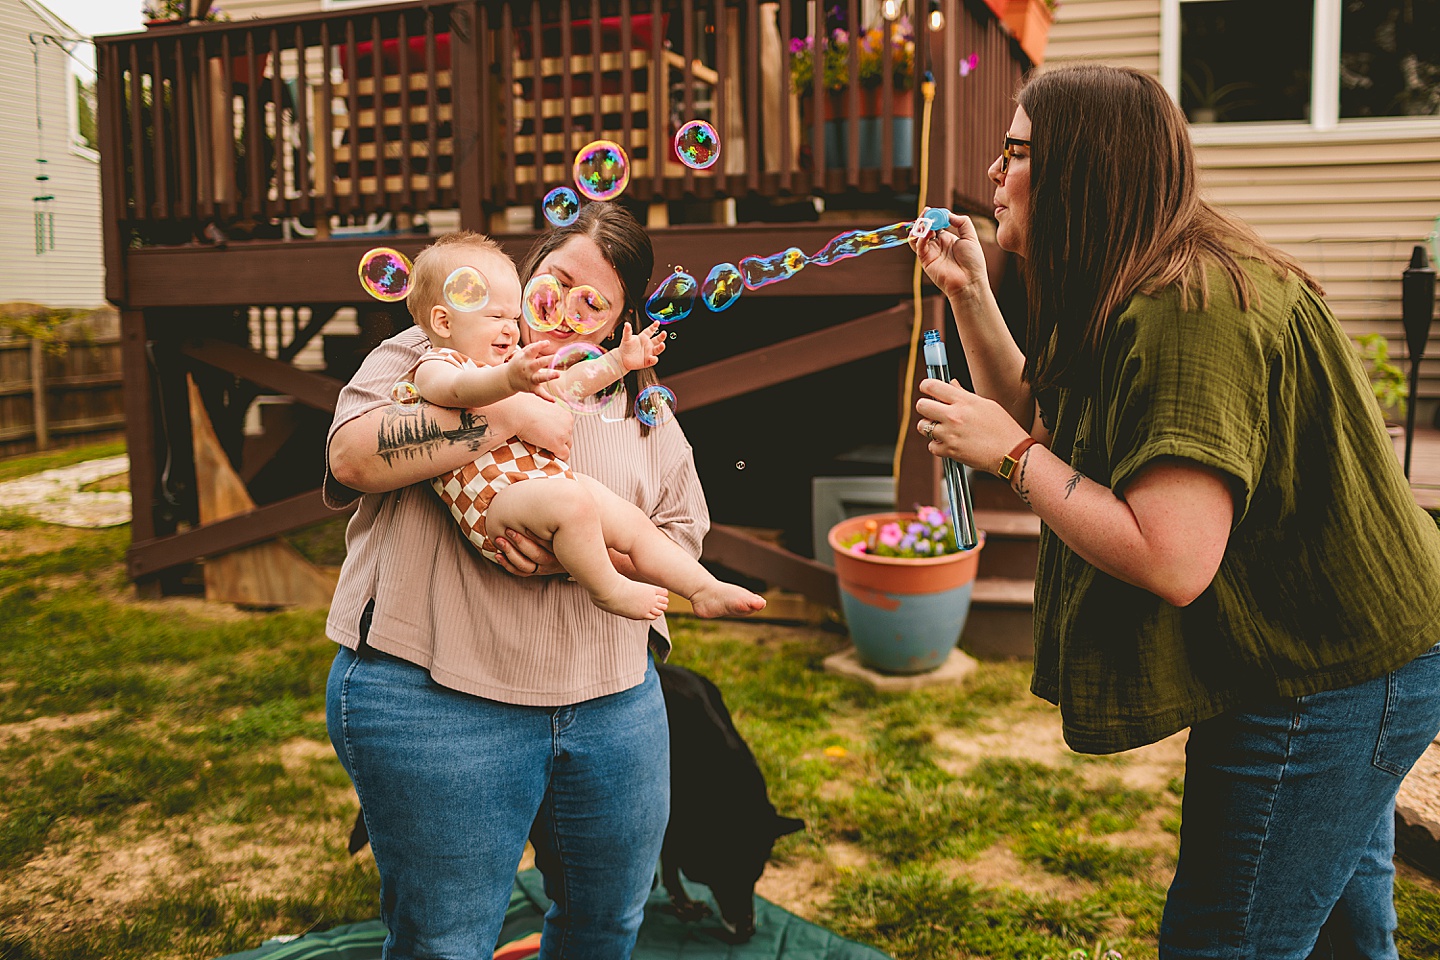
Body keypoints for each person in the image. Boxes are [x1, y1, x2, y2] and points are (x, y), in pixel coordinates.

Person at [910, 63, 1440, 957]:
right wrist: (969, 291)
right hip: (1314, 644)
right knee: (1345, 937)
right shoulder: (1129, 277)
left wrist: (1008, 457)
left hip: (1333, 669)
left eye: (1015, 150)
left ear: (1081, 168)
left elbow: (1171, 557)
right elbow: (1045, 418)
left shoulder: (1190, 311)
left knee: (1222, 938)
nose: (993, 174)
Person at [323, 203, 725, 959]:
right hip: (437, 700)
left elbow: (678, 535)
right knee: (446, 944)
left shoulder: (641, 407)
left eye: (593, 303)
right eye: (555, 282)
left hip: (611, 702)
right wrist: (511, 413)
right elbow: (353, 460)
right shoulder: (429, 346)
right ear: (523, 273)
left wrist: (574, 556)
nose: (564, 310)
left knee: (604, 927)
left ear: (617, 324)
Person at [402, 232, 766, 621]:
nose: (510, 329)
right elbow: (457, 390)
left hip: (537, 488)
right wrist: (511, 381)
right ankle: (607, 589)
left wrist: (618, 363)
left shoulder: (519, 366)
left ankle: (702, 588)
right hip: (493, 503)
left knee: (623, 516)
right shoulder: (436, 364)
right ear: (444, 319)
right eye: (496, 317)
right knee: (575, 503)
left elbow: (571, 383)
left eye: (511, 317)